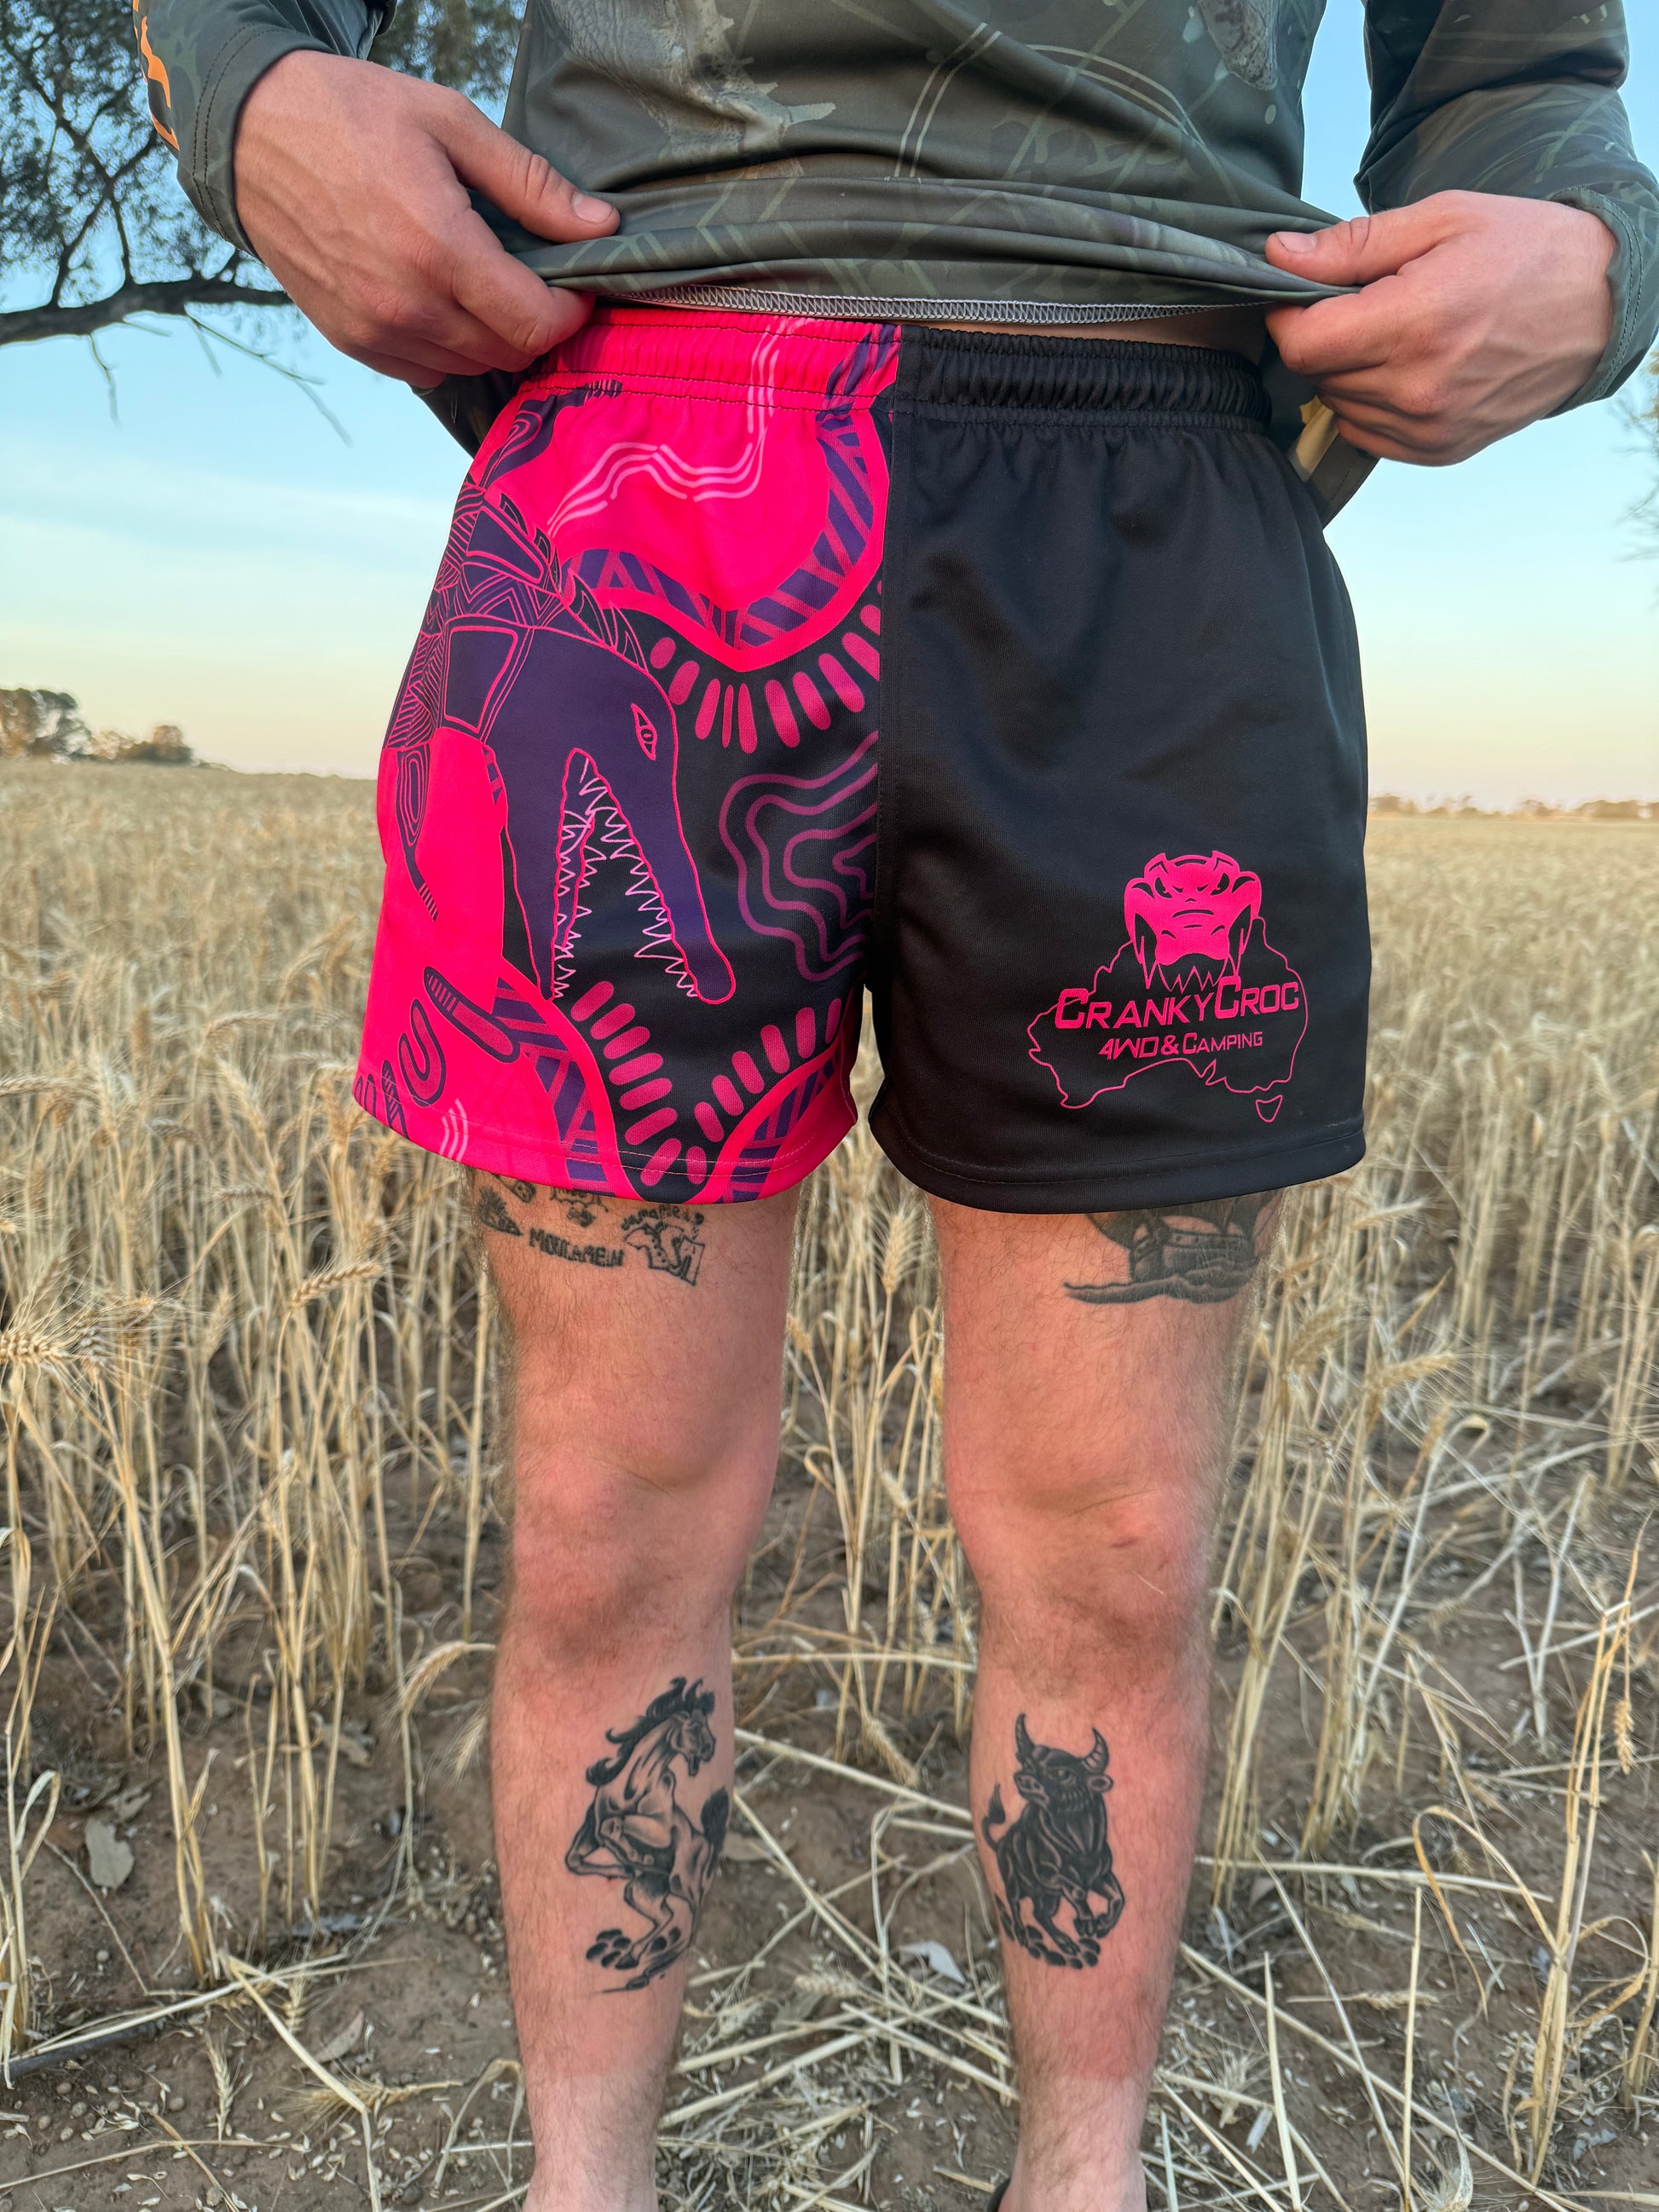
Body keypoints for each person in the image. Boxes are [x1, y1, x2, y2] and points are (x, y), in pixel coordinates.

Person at [137, 3, 1656, 2206]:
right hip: (630, 473)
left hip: (1158, 513)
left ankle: (1084, 2170)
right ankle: (586, 2182)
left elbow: (1530, 67)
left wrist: (1595, 252)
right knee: (604, 1511)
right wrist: (239, 84)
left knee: (1115, 1538)